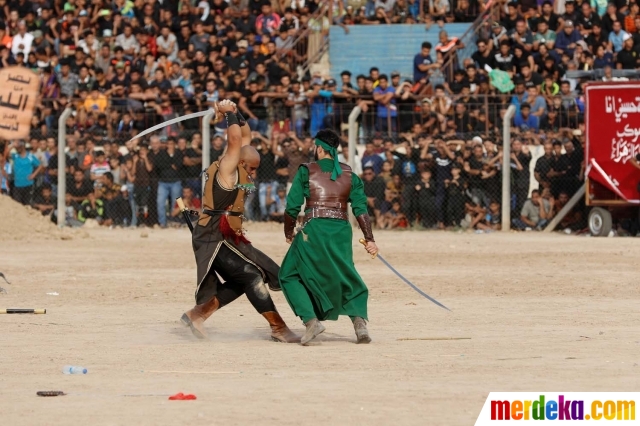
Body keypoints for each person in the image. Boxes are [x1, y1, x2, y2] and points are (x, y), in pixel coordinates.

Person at [180, 99, 299, 343]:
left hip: (225, 236)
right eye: (252, 169)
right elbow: (235, 141)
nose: (253, 174)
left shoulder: (238, 164)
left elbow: (244, 135)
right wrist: (228, 113)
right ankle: (278, 327)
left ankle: (198, 314)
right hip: (212, 235)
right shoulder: (228, 168)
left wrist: (234, 112)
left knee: (245, 276)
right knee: (251, 275)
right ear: (241, 162)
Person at [279, 128, 379, 346]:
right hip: (342, 230)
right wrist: (369, 239)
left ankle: (311, 321)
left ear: (321, 148)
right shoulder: (350, 174)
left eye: (315, 147)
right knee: (344, 273)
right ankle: (359, 323)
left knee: (288, 274)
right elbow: (361, 209)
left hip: (314, 229)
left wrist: (289, 232)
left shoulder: (306, 171)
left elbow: (292, 207)